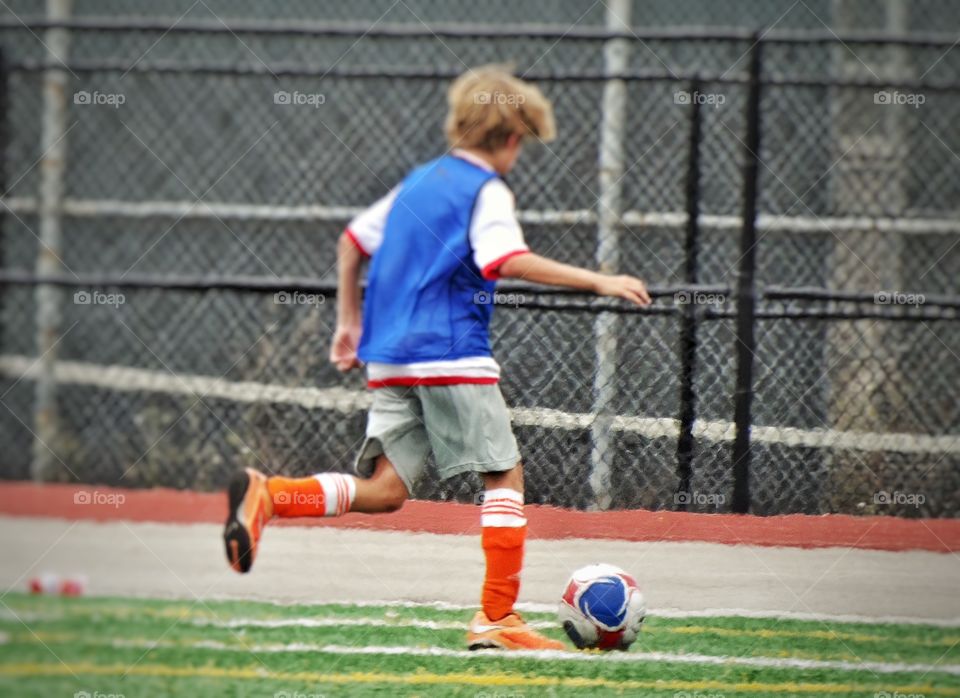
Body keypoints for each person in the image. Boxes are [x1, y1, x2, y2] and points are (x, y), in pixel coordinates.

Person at [223, 65, 651, 651]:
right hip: (451, 354)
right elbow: (504, 259)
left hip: (391, 360)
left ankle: (268, 495)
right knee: (503, 476)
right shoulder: (487, 188)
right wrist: (599, 282)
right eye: (520, 143)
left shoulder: (420, 181)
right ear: (508, 138)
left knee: (385, 490)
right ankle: (496, 619)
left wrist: (349, 325)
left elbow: (352, 242)